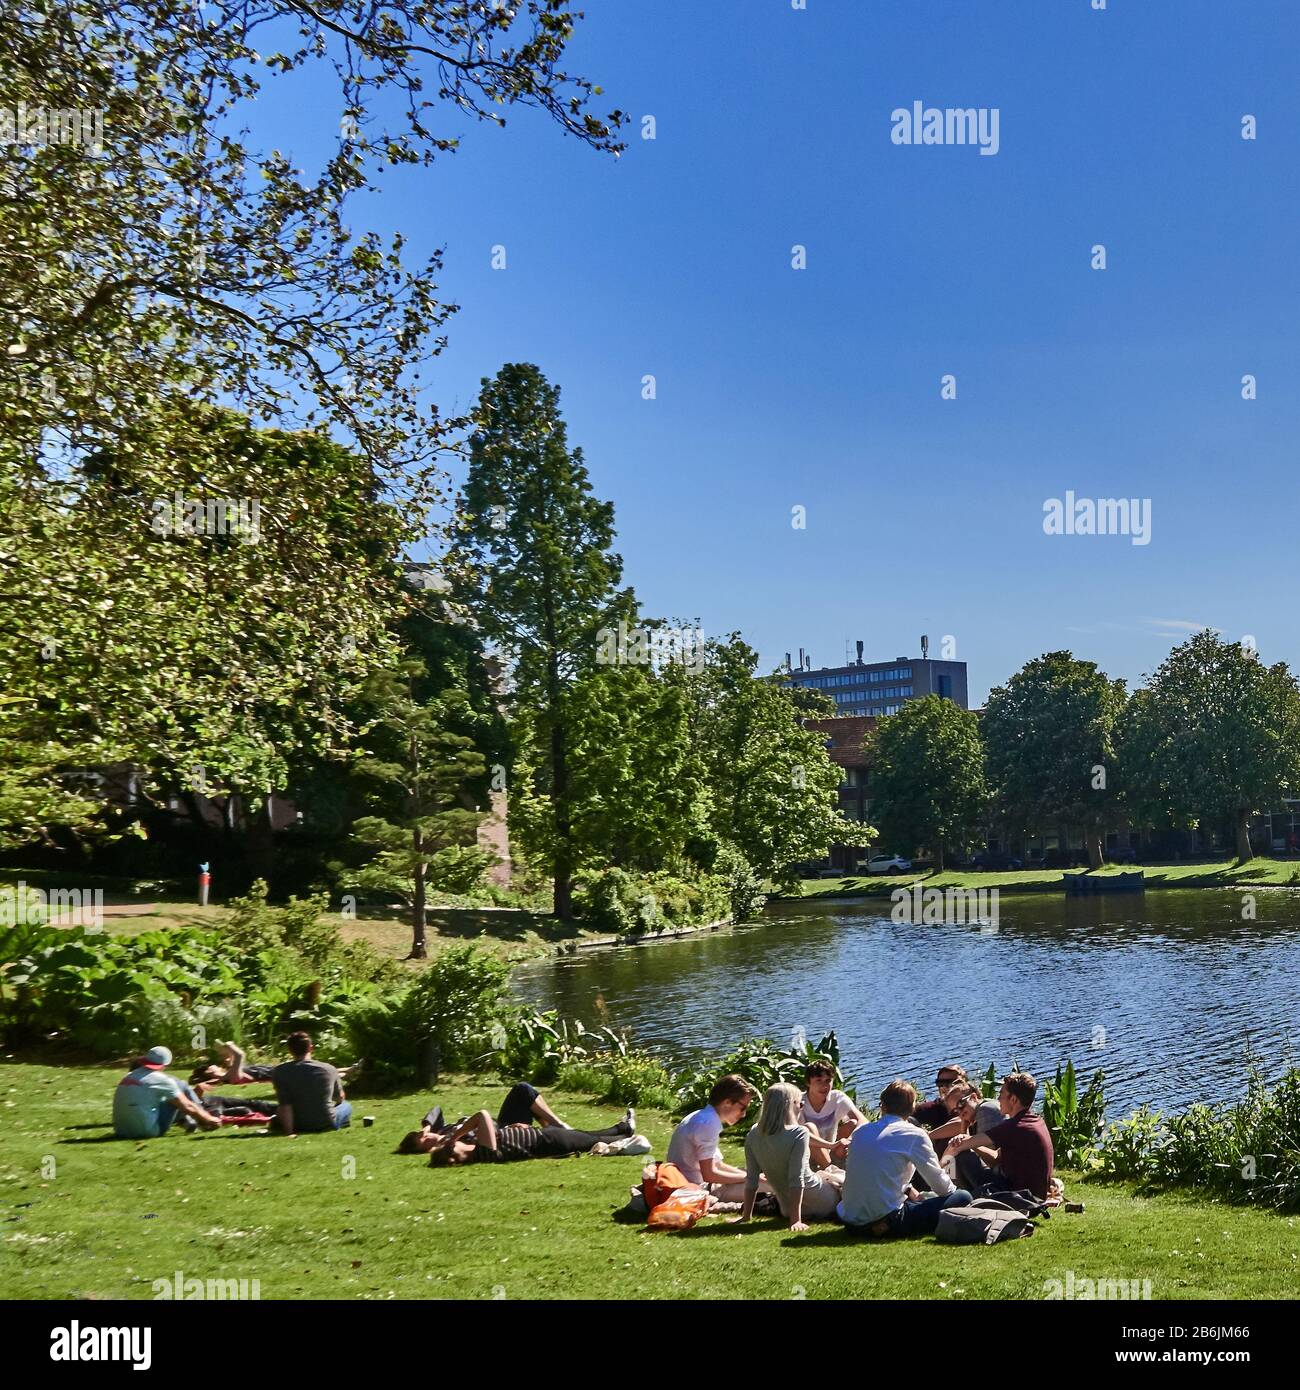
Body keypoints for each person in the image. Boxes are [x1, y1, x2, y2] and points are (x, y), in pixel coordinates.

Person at [836, 1080, 971, 1237]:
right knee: (962, 1197)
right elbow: (942, 1187)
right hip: (886, 1221)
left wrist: (908, 1190)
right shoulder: (913, 1134)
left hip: (850, 1222)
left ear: (883, 1106)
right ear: (912, 1108)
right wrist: (951, 1190)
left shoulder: (860, 1132)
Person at [736, 1083, 844, 1230]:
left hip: (786, 1209)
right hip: (823, 1203)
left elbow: (751, 1178)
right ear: (791, 1105)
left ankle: (749, 1213)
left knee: (830, 1175)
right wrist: (795, 1221)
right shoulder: (799, 1133)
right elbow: (796, 1178)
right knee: (842, 1177)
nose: (802, 1106)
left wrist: (746, 1216)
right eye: (801, 1103)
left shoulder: (753, 1134)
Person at [945, 1071, 1055, 1199]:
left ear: (1013, 1099)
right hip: (1034, 1196)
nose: (998, 1099)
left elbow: (959, 1146)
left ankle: (958, 1197)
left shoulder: (1014, 1127)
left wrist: (941, 1164)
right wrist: (966, 1133)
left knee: (962, 1156)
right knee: (964, 1154)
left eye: (1001, 1094)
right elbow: (996, 1158)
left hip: (1018, 1197)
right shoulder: (1035, 1121)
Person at [397, 1082, 576, 1155]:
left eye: (425, 1135)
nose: (429, 1138)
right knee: (524, 1096)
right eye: (425, 1142)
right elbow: (484, 1142)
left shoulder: (441, 1131)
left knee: (522, 1090)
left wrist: (426, 1128)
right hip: (505, 1133)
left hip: (502, 1122)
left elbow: (436, 1110)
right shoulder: (450, 1147)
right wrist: (508, 1130)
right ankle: (559, 1132)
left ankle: (557, 1127)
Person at [426, 1107, 642, 1165]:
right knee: (590, 1141)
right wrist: (455, 1135)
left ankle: (623, 1128)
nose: (457, 1143)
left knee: (586, 1135)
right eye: (452, 1146)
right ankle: (627, 1137)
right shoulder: (483, 1154)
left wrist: (512, 1128)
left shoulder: (478, 1150)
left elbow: (497, 1133)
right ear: (454, 1154)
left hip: (542, 1135)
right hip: (547, 1142)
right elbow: (482, 1116)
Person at [665, 1074, 755, 1200]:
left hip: (690, 1183)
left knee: (758, 1179)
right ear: (727, 1102)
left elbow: (718, 1165)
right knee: (770, 1186)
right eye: (743, 1108)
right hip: (696, 1189)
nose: (744, 1114)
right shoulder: (708, 1124)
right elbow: (709, 1174)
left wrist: (750, 1175)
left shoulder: (703, 1116)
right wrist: (750, 1178)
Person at [113, 1046, 220, 1138]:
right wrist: (209, 1119)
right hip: (146, 1132)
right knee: (180, 1087)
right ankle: (203, 1122)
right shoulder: (161, 1080)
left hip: (121, 1131)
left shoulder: (129, 1076)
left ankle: (189, 1121)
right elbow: (188, 1106)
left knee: (169, 1095)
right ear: (165, 1064)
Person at [271, 1031, 351, 1134]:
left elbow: (285, 1105)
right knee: (346, 1105)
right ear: (310, 1048)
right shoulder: (328, 1069)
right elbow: (339, 1097)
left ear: (290, 1050)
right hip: (326, 1122)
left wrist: (289, 1132)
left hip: (297, 1123)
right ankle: (341, 1123)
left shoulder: (280, 1071)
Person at [798, 1060, 866, 1169]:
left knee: (853, 1123)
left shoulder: (837, 1098)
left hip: (832, 1150)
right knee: (808, 1128)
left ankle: (834, 1165)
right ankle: (831, 1169)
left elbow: (863, 1121)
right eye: (818, 1080)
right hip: (806, 1154)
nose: (824, 1085)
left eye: (828, 1080)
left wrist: (849, 1139)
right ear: (808, 1082)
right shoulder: (798, 1101)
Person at [922, 1078, 1001, 1160]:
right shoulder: (983, 1108)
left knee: (961, 1155)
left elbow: (993, 1160)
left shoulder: (985, 1110)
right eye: (955, 1111)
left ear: (973, 1097)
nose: (960, 1112)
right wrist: (964, 1132)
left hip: (1004, 1169)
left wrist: (966, 1142)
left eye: (960, 1104)